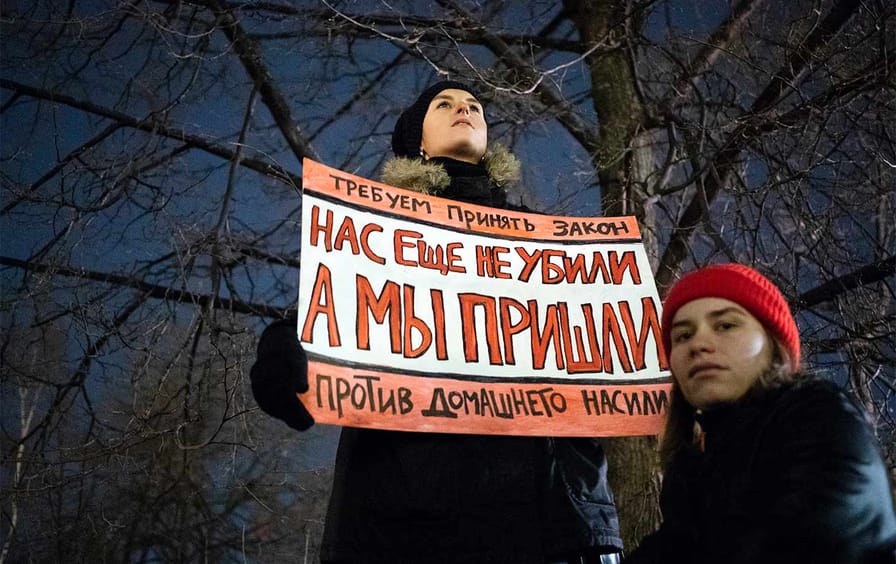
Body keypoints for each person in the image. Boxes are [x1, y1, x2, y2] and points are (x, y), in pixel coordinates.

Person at [251, 80, 624, 563]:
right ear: (419, 141)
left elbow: (602, 339)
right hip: (406, 513)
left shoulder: (550, 246)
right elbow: (330, 309)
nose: (463, 109)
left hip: (548, 518)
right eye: (444, 104)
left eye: (474, 106)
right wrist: (282, 345)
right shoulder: (378, 237)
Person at [625, 263, 896, 564]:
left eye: (726, 325)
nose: (698, 344)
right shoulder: (692, 470)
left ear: (773, 344)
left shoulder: (824, 420)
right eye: (683, 336)